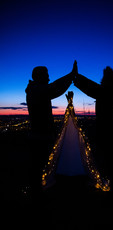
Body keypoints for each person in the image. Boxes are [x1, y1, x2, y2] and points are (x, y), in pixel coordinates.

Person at [26, 61, 77, 198]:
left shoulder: (36, 89)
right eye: (46, 75)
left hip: (41, 135)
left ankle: (39, 191)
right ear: (39, 76)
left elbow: (53, 88)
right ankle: (37, 195)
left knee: (41, 165)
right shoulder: (36, 90)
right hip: (40, 136)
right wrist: (71, 75)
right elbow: (54, 88)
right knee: (39, 166)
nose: (48, 78)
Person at [73, 63, 113, 190]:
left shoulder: (109, 92)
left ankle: (111, 191)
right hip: (108, 130)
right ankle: (110, 187)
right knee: (109, 162)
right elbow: (93, 88)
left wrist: (77, 77)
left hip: (107, 131)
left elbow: (92, 88)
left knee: (108, 163)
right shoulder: (112, 92)